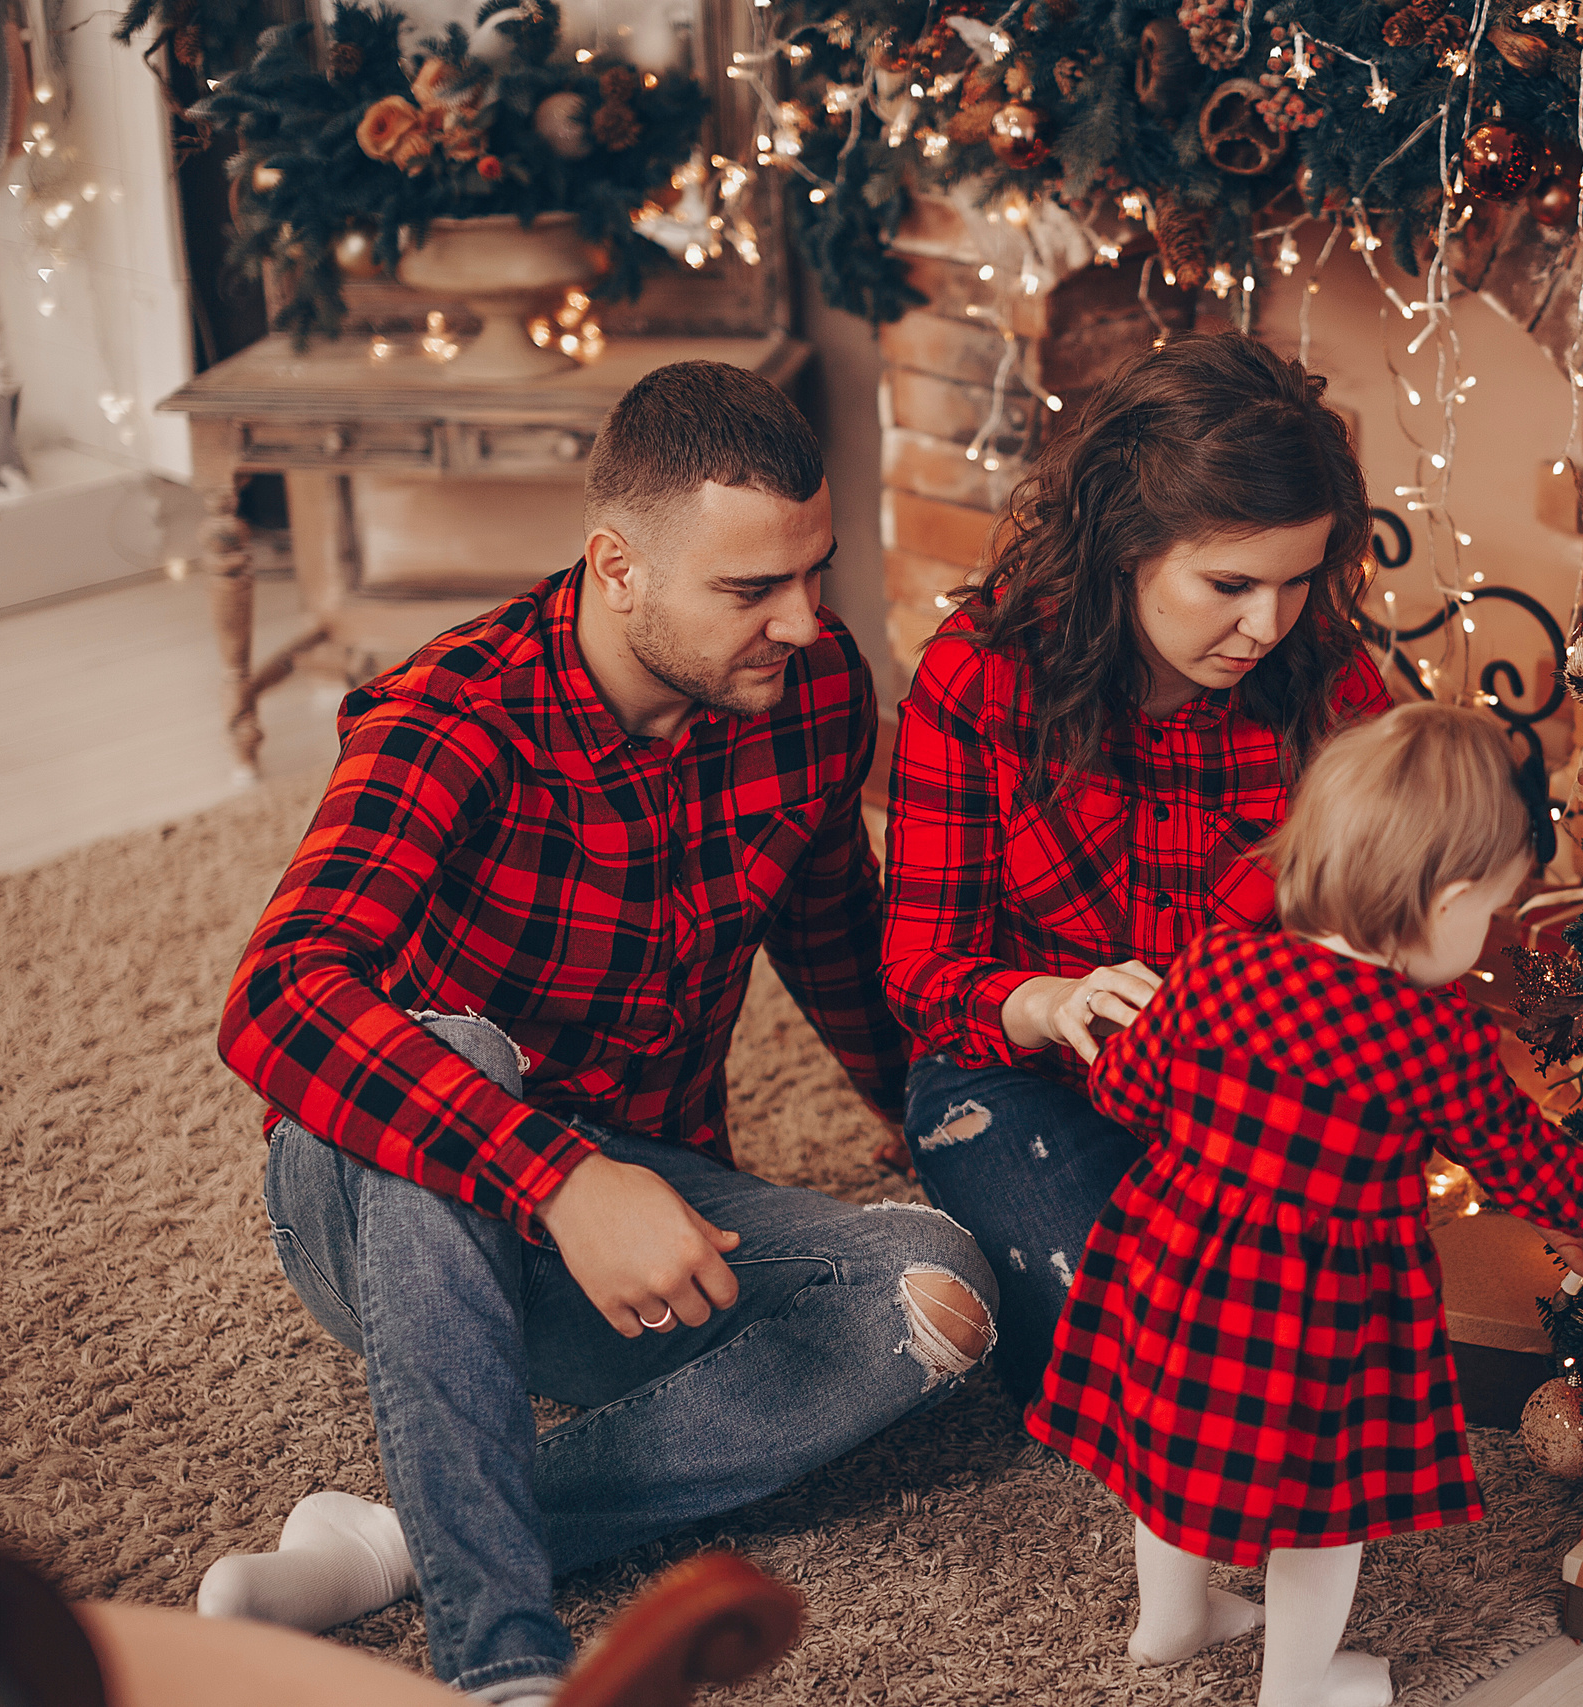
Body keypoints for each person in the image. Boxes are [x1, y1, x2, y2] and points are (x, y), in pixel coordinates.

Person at [206, 361, 998, 1706]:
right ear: (615, 566)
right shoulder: (447, 720)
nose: (805, 622)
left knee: (936, 1288)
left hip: (646, 1229)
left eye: (815, 573)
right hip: (397, 1216)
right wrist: (557, 1175)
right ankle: (505, 1657)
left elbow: (831, 934)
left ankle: (398, 1536)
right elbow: (276, 998)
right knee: (450, 1046)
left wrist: (924, 1113)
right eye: (750, 591)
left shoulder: (808, 696)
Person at [1028, 704, 1583, 1707]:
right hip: (1316, 1311)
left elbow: (1128, 1094)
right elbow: (1513, 1156)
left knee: (1167, 1443)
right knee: (1319, 1510)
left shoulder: (1216, 961)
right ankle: (1299, 1686)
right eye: (1484, 919)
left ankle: (1168, 1624)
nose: (1478, 947)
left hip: (1173, 1260)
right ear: (1447, 899)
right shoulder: (1431, 1039)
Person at [881, 333, 1402, 1396]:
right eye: (1228, 583)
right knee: (1130, 1356)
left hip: (1243, 1094)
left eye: (1298, 582)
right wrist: (1048, 1001)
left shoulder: (1335, 694)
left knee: (1310, 1354)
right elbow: (920, 972)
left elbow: (1372, 959)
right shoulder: (977, 678)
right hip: (1011, 1076)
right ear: (1125, 546)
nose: (1267, 624)